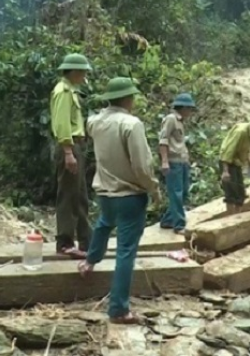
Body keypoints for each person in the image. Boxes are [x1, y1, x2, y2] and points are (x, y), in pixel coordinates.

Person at [77, 77, 161, 324]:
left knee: (103, 224)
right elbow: (142, 166)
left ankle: (89, 262)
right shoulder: (131, 124)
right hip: (129, 195)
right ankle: (118, 309)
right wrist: (153, 189)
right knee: (126, 251)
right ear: (128, 98)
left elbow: (92, 126)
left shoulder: (95, 122)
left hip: (105, 192)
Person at [49, 53, 93, 258]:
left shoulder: (72, 91)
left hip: (76, 146)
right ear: (74, 71)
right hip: (69, 147)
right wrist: (68, 152)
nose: (84, 76)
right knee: (68, 194)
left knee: (80, 195)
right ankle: (65, 243)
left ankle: (86, 241)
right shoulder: (63, 91)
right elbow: (61, 124)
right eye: (83, 72)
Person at [158, 93, 196, 234]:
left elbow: (179, 143)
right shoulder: (171, 119)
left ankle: (168, 220)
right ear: (184, 108)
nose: (191, 112)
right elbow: (163, 140)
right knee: (176, 194)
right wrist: (165, 161)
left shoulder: (180, 121)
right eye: (190, 109)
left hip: (182, 161)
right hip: (173, 162)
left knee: (184, 191)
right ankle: (179, 225)